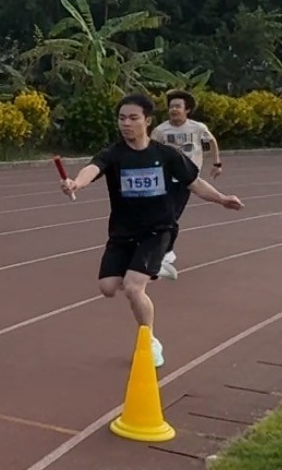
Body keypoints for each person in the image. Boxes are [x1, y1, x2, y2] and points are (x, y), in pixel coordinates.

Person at [59, 92, 242, 367]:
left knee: (134, 288)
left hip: (158, 229)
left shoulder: (166, 154)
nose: (126, 123)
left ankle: (150, 341)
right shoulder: (113, 154)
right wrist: (75, 183)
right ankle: (154, 269)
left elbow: (194, 183)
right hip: (123, 231)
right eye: (122, 118)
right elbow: (92, 169)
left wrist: (222, 199)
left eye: (133, 118)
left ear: (147, 121)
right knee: (108, 287)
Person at [151, 89, 223, 280]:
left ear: (187, 110)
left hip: (186, 180)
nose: (174, 110)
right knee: (162, 214)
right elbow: (150, 150)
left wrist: (216, 163)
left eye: (178, 106)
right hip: (165, 178)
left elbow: (211, 141)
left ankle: (166, 252)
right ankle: (163, 251)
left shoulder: (197, 128)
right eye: (171, 107)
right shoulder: (160, 131)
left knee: (171, 215)